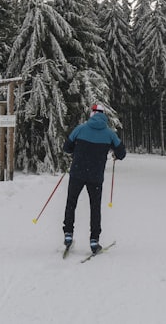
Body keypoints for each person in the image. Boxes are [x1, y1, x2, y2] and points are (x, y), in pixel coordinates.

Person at [62, 103, 126, 254]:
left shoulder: (80, 128)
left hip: (77, 173)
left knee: (71, 203)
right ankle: (94, 240)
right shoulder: (109, 134)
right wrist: (115, 153)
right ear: (104, 116)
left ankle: (68, 234)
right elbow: (121, 153)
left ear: (91, 114)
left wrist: (77, 150)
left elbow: (66, 147)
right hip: (95, 176)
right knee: (95, 207)